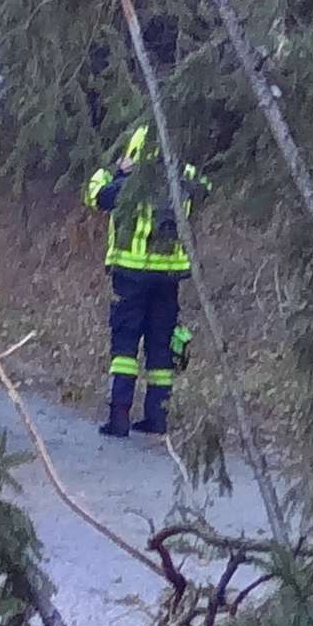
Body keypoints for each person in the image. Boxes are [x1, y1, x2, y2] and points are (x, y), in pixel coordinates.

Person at [87, 118, 209, 440]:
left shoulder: (129, 183)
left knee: (125, 347)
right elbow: (204, 186)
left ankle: (119, 419)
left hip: (130, 276)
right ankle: (157, 418)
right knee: (160, 345)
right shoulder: (182, 179)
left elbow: (97, 196)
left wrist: (119, 171)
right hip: (168, 277)